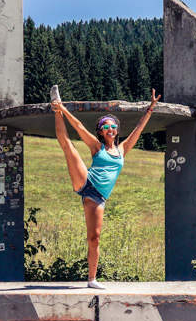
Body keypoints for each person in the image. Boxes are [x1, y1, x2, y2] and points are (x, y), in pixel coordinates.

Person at [49, 85, 160, 289]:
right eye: (105, 127)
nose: (110, 129)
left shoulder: (122, 149)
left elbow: (139, 129)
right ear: (100, 132)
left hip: (98, 198)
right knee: (68, 146)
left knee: (94, 238)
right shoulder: (96, 147)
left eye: (113, 126)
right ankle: (56, 106)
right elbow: (80, 128)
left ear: (117, 130)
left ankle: (91, 279)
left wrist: (150, 108)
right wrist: (63, 110)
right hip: (86, 182)